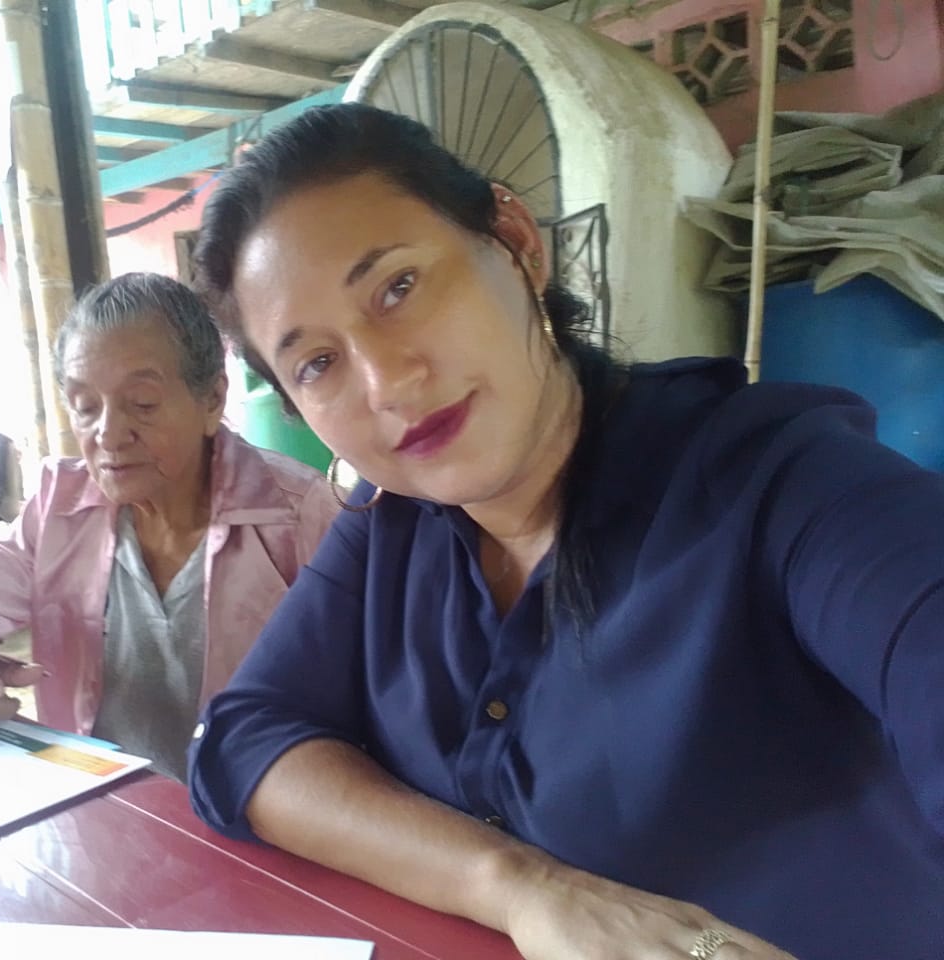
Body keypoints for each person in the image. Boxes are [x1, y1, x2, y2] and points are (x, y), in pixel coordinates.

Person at [185, 103, 944, 960]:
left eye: (398, 288)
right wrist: (517, 886)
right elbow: (241, 740)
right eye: (318, 363)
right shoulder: (394, 527)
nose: (388, 382)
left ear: (514, 241)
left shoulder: (775, 483)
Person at [0, 272, 339, 781]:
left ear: (212, 400)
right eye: (85, 407)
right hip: (99, 804)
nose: (108, 434)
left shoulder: (299, 515)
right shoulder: (59, 512)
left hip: (260, 813)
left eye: (143, 404)